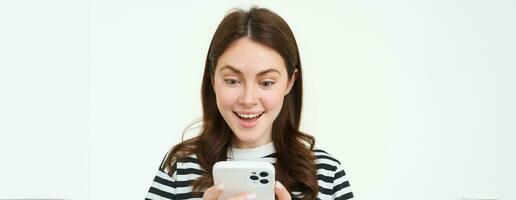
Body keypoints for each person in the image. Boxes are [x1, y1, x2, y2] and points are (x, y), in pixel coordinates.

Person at [145, 7, 354, 200]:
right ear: (212, 79)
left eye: (266, 82)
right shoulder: (180, 167)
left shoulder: (326, 172)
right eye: (232, 81)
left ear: (290, 82)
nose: (248, 100)